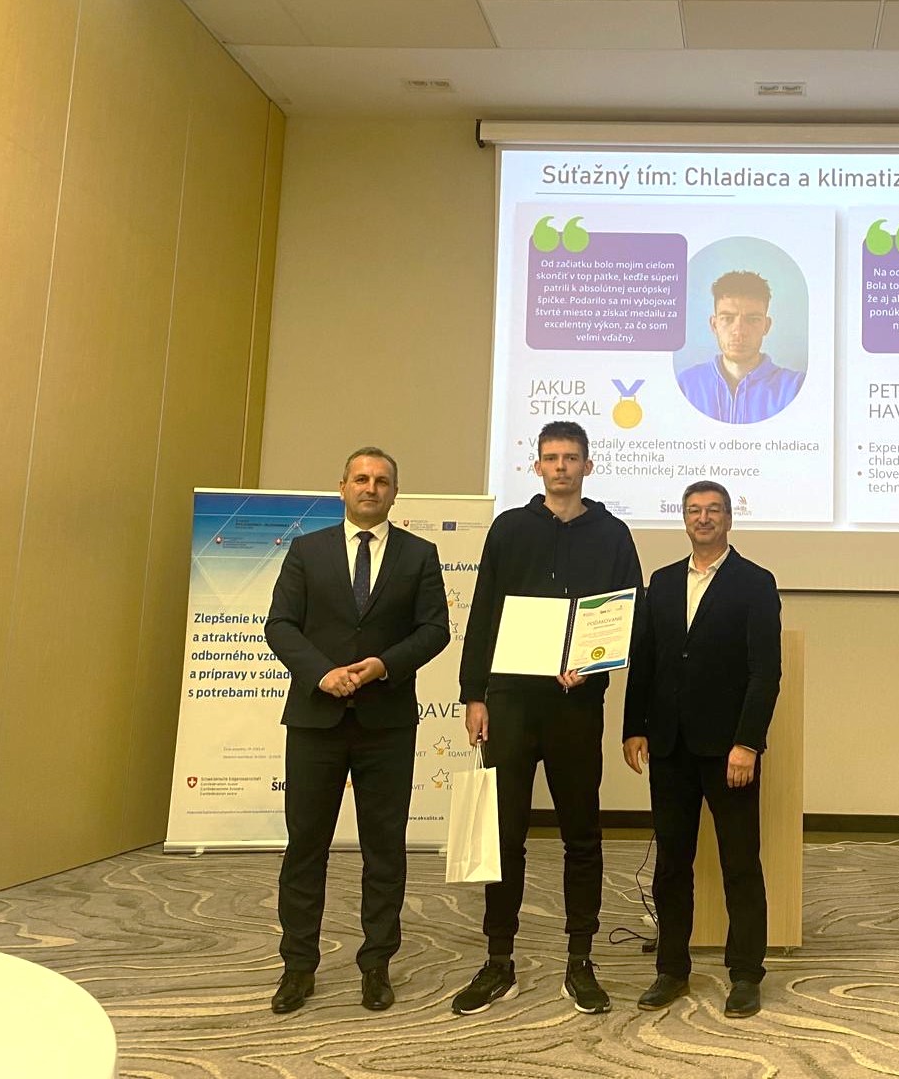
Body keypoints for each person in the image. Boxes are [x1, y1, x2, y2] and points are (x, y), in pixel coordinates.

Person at [452, 421, 643, 1016]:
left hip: (576, 706)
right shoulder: (510, 528)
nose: (561, 466)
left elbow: (627, 614)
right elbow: (484, 611)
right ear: (536, 466)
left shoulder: (613, 534)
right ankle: (498, 960)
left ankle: (580, 960)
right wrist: (473, 694)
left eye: (571, 457)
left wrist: (594, 665)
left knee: (581, 834)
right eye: (551, 457)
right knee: (504, 834)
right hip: (510, 701)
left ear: (588, 466)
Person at [263, 447, 450, 1014]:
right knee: (306, 847)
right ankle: (298, 966)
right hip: (315, 720)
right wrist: (322, 673)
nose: (371, 488)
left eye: (382, 481)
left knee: (384, 850)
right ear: (342, 486)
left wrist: (383, 665)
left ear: (395, 493)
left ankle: (376, 965)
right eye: (361, 479)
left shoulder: (420, 554)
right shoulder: (307, 550)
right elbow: (280, 624)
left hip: (385, 723)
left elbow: (435, 630)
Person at [622, 480, 782, 1019]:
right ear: (684, 519)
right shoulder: (663, 581)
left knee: (740, 863)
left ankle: (746, 974)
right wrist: (633, 726)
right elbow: (645, 659)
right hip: (669, 747)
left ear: (729, 518)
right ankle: (671, 968)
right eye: (694, 510)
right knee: (672, 863)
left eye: (714, 510)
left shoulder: (755, 582)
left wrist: (747, 742)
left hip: (728, 750)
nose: (704, 518)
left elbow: (765, 673)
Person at [677, 271, 805, 424]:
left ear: (766, 326)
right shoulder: (686, 385)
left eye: (752, 320)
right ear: (714, 325)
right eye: (727, 319)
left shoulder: (795, 388)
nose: (739, 331)